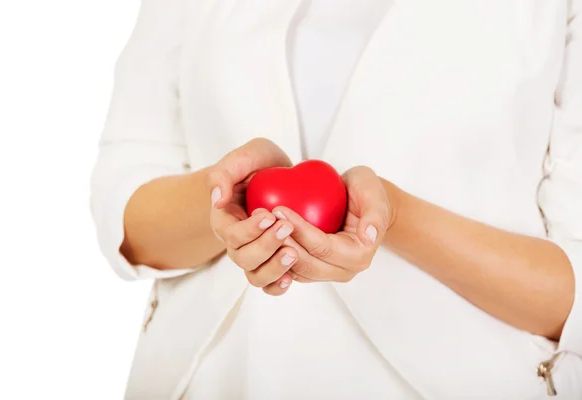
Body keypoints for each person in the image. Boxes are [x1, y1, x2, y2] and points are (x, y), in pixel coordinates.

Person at [90, 0, 582, 398]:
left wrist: (393, 215)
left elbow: (570, 290)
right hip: (217, 380)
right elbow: (125, 214)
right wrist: (230, 202)